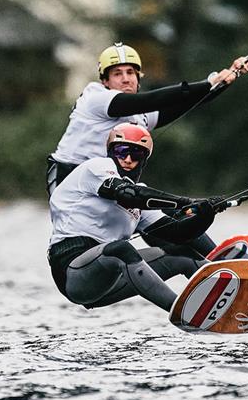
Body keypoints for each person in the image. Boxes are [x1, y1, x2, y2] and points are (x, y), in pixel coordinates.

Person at [45, 43, 248, 256]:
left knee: (169, 228)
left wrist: (226, 79)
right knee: (153, 221)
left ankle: (219, 265)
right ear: (105, 81)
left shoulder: (139, 115)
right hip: (72, 182)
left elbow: (186, 103)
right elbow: (152, 99)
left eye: (131, 72)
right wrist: (208, 82)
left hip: (113, 185)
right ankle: (221, 262)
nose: (126, 78)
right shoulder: (95, 98)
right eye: (117, 73)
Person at [47, 122, 227, 311]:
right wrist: (187, 202)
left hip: (111, 281)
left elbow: (178, 233)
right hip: (72, 271)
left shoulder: (141, 196)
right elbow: (128, 194)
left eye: (137, 154)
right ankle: (184, 312)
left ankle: (231, 301)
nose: (128, 159)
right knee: (121, 249)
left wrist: (206, 214)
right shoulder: (96, 167)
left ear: (144, 160)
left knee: (185, 255)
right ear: (111, 151)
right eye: (122, 151)